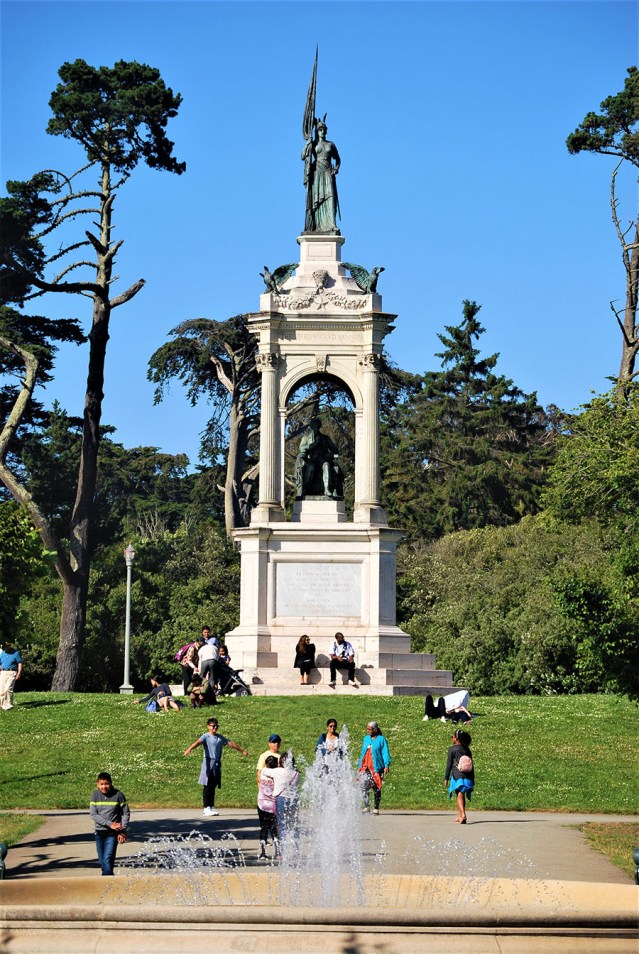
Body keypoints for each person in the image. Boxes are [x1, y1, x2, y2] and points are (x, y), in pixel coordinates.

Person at [184, 717, 249, 816]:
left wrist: (242, 750)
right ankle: (206, 808)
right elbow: (198, 742)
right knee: (207, 785)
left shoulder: (220, 737)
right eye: (213, 726)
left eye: (216, 726)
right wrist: (189, 749)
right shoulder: (206, 736)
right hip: (208, 762)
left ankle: (211, 806)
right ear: (208, 726)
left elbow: (231, 743)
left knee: (213, 785)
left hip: (217, 763)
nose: (215, 728)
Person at [302, 119, 341, 234]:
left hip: (328, 172)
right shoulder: (314, 144)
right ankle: (316, 225)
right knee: (317, 198)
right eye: (319, 130)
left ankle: (332, 224)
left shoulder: (330, 144)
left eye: (323, 129)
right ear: (317, 131)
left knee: (331, 197)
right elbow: (303, 156)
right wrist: (308, 143)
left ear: (326, 131)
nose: (322, 131)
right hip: (317, 173)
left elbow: (338, 159)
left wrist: (336, 169)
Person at [90, 771, 130, 876]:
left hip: (112, 834)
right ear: (97, 784)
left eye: (106, 784)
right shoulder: (95, 795)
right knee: (102, 862)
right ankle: (110, 882)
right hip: (99, 833)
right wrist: (109, 823)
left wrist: (122, 830)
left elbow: (126, 813)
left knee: (107, 860)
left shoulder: (118, 795)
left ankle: (106, 886)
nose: (104, 787)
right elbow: (93, 814)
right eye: (101, 784)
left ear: (111, 783)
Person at [294, 418, 344, 499]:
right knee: (311, 468)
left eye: (317, 425)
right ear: (311, 427)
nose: (315, 427)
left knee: (326, 465)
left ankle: (327, 489)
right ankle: (305, 489)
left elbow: (335, 450)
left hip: (323, 459)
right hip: (311, 459)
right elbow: (301, 449)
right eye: (313, 425)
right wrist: (311, 446)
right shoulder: (306, 438)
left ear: (319, 426)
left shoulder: (325, 438)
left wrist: (330, 455)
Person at [263, 751, 300, 845]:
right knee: (293, 825)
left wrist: (274, 765)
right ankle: (296, 849)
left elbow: (264, 771)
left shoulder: (278, 771)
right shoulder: (296, 773)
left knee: (282, 825)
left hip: (281, 799)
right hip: (294, 799)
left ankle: (283, 850)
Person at [358, 721, 391, 815]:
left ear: (375, 729)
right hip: (365, 767)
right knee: (364, 786)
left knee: (377, 787)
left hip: (376, 767)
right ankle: (367, 806)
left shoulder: (381, 739)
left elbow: (385, 752)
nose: (368, 731)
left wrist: (386, 765)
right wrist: (360, 765)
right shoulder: (366, 739)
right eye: (367, 729)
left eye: (369, 729)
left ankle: (376, 807)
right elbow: (362, 752)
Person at [444, 728, 475, 824]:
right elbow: (471, 763)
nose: (451, 738)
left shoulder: (452, 749)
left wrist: (446, 778)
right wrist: (473, 777)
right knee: (461, 794)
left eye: (452, 736)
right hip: (468, 774)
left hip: (458, 775)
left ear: (456, 738)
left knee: (459, 794)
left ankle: (463, 815)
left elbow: (449, 764)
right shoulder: (467, 749)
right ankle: (460, 814)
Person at [257, 754, 279, 861]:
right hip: (273, 805)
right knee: (274, 828)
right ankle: (278, 852)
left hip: (261, 804)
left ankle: (263, 852)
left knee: (264, 827)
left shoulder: (262, 773)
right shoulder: (276, 775)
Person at [0, 639, 23, 711]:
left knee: (8, 689)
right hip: (3, 672)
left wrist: (19, 673)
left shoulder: (16, 653)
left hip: (12, 672)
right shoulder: (2, 653)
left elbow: (19, 663)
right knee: (2, 690)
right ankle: (2, 705)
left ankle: (9, 705)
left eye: (7, 646)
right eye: (5, 647)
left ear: (10, 646)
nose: (6, 648)